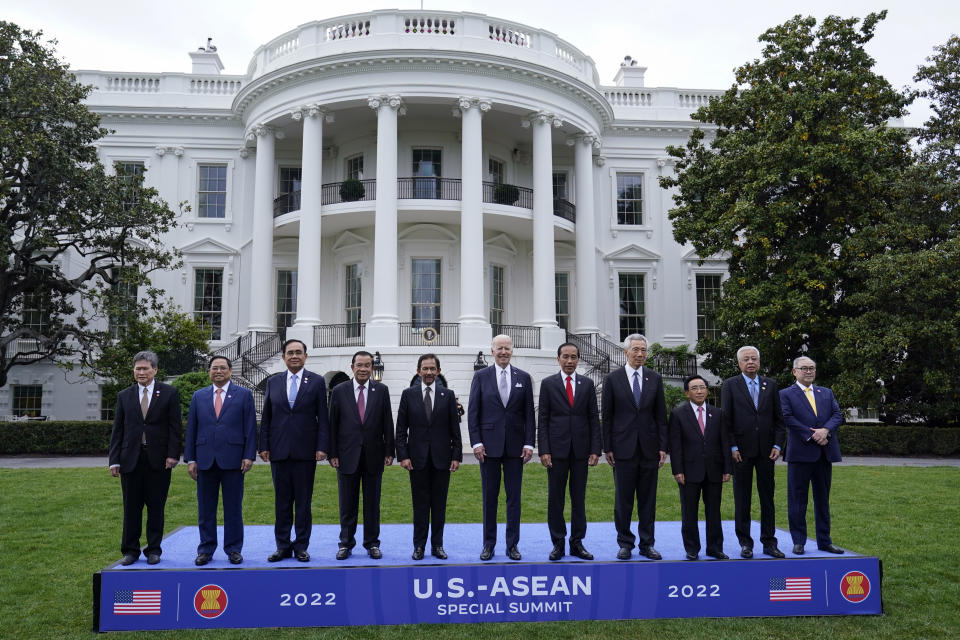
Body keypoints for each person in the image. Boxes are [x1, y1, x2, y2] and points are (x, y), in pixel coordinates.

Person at [259, 338, 330, 563]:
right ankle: (282, 546)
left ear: (305, 356)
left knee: (303, 503)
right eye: (290, 352)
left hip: (305, 452)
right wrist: (264, 446)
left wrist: (322, 447)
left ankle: (301, 546)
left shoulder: (317, 382)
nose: (294, 356)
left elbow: (323, 418)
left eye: (298, 352)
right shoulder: (274, 382)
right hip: (278, 451)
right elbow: (267, 417)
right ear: (283, 357)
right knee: (281, 503)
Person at [108, 351, 182, 566]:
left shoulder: (169, 393)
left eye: (145, 368)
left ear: (155, 370)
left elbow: (174, 427)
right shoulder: (124, 396)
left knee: (156, 507)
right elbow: (118, 429)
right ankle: (131, 551)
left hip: (159, 460)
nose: (141, 372)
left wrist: (172, 455)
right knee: (131, 508)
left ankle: (153, 550)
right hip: (130, 460)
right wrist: (114, 460)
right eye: (137, 369)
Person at [468, 334, 535, 561]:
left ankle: (512, 545)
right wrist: (476, 442)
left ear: (512, 351)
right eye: (500, 348)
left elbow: (529, 414)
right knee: (490, 497)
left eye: (507, 348)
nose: (504, 352)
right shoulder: (481, 376)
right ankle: (488, 545)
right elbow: (473, 412)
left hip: (516, 448)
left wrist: (529, 443)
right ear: (492, 351)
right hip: (488, 448)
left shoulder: (524, 378)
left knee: (514, 498)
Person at [185, 356, 257, 566]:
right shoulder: (199, 396)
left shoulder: (244, 395)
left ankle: (233, 549)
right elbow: (192, 429)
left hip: (234, 460)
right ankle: (206, 549)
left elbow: (251, 428)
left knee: (233, 508)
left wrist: (249, 455)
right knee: (205, 509)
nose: (218, 371)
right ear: (209, 371)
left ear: (230, 371)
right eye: (214, 368)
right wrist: (190, 458)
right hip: (205, 460)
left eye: (222, 368)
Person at [602, 333, 668, 560]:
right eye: (636, 350)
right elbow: (607, 416)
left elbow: (661, 416)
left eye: (643, 350)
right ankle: (625, 543)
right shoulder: (612, 379)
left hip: (649, 448)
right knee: (624, 499)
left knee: (648, 500)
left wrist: (663, 446)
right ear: (625, 352)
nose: (640, 354)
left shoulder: (654, 378)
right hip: (622, 448)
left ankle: (647, 543)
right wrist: (607, 446)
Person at [721, 346, 786, 559]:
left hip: (767, 452)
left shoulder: (771, 384)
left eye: (754, 359)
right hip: (741, 452)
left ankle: (769, 542)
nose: (751, 362)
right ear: (739, 363)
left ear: (759, 362)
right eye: (746, 359)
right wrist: (732, 447)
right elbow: (726, 421)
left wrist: (778, 445)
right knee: (743, 499)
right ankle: (745, 543)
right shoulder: (730, 385)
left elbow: (779, 420)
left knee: (768, 498)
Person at [538, 342, 601, 561]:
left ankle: (577, 543)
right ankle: (558, 543)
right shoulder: (548, 384)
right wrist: (543, 449)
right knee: (556, 499)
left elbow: (593, 417)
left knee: (578, 499)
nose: (570, 361)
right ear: (558, 359)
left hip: (581, 451)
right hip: (556, 451)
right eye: (565, 356)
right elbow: (543, 418)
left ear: (578, 359)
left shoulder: (587, 384)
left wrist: (596, 448)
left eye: (574, 357)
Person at [395, 354, 462, 560]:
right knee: (420, 505)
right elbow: (401, 430)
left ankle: (437, 545)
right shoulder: (408, 395)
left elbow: (455, 430)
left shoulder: (448, 395)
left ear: (438, 372)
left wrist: (456, 456)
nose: (429, 372)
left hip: (442, 459)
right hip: (417, 460)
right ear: (419, 371)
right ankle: (419, 546)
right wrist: (403, 456)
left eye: (433, 369)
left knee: (439, 506)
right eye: (425, 368)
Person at [329, 350, 394, 560]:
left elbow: (387, 423)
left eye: (367, 365)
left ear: (372, 368)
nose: (363, 369)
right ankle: (346, 544)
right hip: (346, 456)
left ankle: (372, 543)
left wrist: (389, 451)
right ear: (352, 367)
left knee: (372, 504)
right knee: (347, 504)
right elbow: (332, 425)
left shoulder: (381, 390)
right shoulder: (339, 391)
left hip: (374, 455)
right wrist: (333, 453)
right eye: (359, 365)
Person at [780, 356, 845, 555]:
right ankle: (799, 541)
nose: (808, 371)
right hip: (800, 454)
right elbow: (787, 417)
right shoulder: (785, 394)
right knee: (797, 500)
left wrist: (825, 430)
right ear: (795, 372)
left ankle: (824, 540)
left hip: (824, 453)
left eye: (812, 368)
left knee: (822, 500)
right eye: (804, 368)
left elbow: (837, 415)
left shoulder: (826, 392)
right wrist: (812, 435)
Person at [668, 375, 731, 560]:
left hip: (714, 470)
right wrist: (677, 470)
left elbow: (724, 442)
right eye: (694, 388)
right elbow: (676, 445)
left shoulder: (718, 413)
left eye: (702, 387)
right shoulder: (678, 414)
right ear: (687, 393)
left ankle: (715, 547)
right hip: (689, 472)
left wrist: (727, 468)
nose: (699, 391)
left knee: (714, 511)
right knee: (689, 512)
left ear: (707, 390)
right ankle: (692, 548)